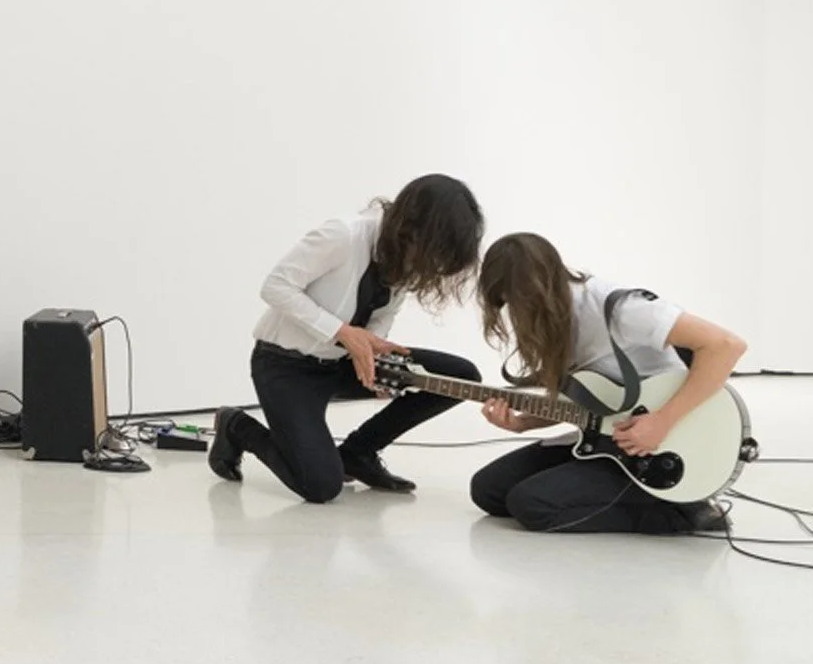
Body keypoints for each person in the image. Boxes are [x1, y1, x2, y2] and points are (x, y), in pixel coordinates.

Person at [210, 175, 487, 503]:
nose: (431, 264)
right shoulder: (343, 235)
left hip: (341, 362)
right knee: (321, 487)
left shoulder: (405, 254)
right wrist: (343, 334)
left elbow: (385, 312)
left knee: (460, 376)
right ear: (412, 227)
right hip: (285, 367)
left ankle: (358, 453)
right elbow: (276, 286)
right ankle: (235, 426)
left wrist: (374, 352)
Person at [469, 233, 746, 535]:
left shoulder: (620, 309)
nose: (517, 315)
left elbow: (726, 346)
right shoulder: (552, 323)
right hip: (606, 438)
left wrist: (662, 423)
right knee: (489, 491)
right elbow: (582, 400)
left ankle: (681, 513)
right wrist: (522, 424)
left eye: (521, 303)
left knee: (531, 505)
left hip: (659, 447)